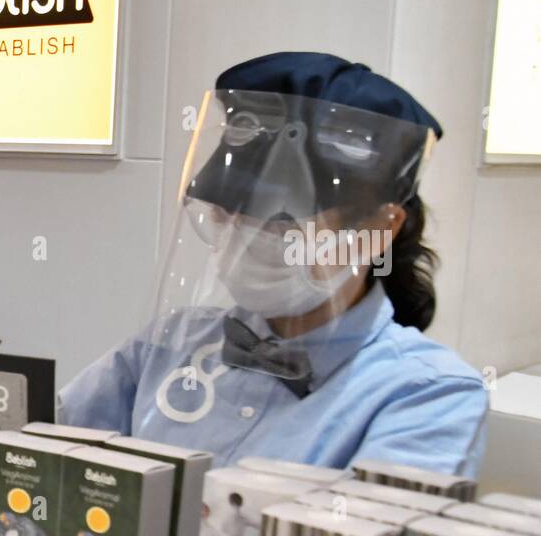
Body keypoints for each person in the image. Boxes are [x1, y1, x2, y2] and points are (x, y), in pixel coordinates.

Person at [60, 52, 487, 477]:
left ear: (380, 227)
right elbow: (46, 455)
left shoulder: (427, 396)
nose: (246, 242)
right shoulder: (169, 344)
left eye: (282, 229)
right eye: (229, 215)